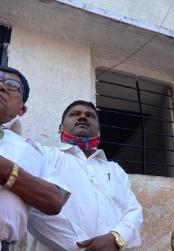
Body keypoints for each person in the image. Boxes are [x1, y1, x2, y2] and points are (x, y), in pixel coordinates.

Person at [28, 100, 143, 251]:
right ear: (60, 128)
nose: (82, 117)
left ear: (99, 130)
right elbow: (35, 209)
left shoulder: (115, 170)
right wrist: (83, 248)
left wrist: (116, 238)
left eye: (90, 115)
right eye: (74, 114)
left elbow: (133, 210)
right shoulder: (44, 156)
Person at [0, 66, 68, 251]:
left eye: (12, 85)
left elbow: (54, 201)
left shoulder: (33, 150)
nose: (2, 86)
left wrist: (7, 170)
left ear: (22, 109)